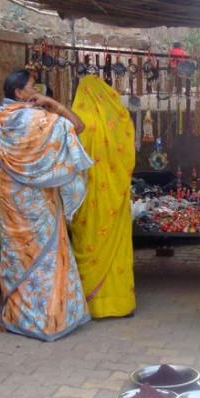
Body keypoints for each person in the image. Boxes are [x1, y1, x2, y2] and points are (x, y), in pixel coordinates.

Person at [0, 69, 93, 341]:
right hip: (36, 197)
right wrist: (54, 105)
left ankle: (16, 318)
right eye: (33, 86)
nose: (37, 91)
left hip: (10, 195)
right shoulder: (43, 120)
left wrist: (17, 161)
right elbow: (78, 127)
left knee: (16, 256)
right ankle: (51, 320)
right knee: (46, 256)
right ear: (19, 92)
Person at [69, 74, 137, 318]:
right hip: (114, 195)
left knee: (89, 240)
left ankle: (91, 305)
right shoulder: (119, 120)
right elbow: (129, 157)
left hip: (88, 197)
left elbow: (69, 159)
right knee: (117, 248)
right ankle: (120, 303)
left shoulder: (77, 118)